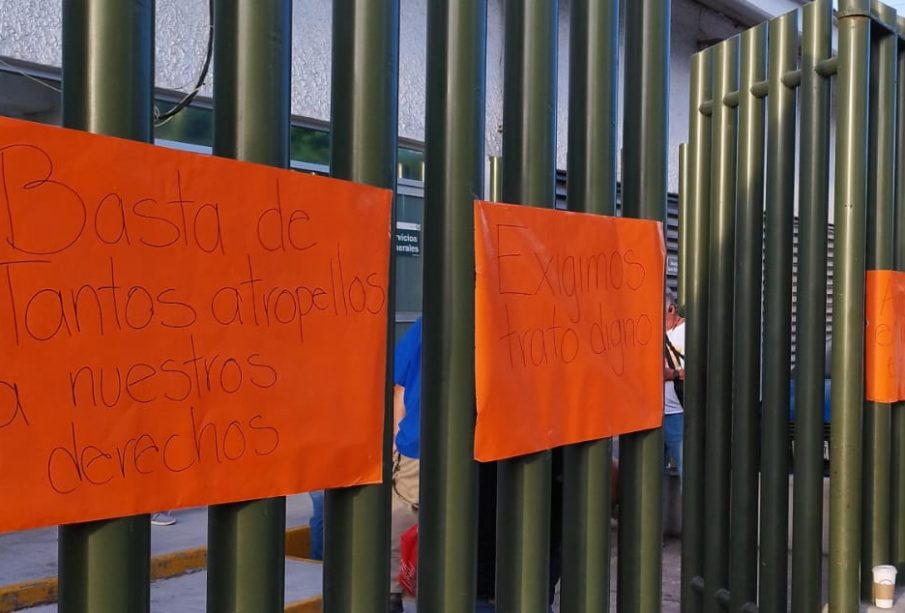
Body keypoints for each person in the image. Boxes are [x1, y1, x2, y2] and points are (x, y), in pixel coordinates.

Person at [390, 317, 422, 613]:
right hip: (482, 450)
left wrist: (398, 439)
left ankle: (393, 594)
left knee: (402, 520)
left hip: (419, 445)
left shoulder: (426, 325)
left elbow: (399, 390)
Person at [664, 290, 686, 477]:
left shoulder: (687, 333)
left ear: (671, 309)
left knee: (685, 471)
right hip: (655, 415)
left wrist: (670, 374)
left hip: (678, 414)